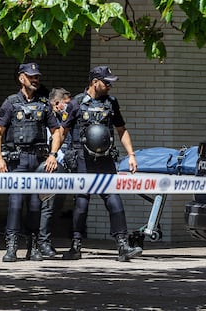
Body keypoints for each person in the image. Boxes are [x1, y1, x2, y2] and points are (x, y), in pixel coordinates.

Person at [50, 65, 142, 261]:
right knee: (81, 203)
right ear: (94, 82)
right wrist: (53, 154)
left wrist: (131, 155)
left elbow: (121, 130)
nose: (110, 86)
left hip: (106, 160)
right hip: (82, 160)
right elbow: (62, 132)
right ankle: (75, 246)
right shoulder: (76, 103)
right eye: (106, 82)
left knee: (114, 200)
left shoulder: (111, 103)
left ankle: (123, 245)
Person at [0, 62, 59, 262]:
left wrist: (53, 155)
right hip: (17, 161)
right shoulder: (11, 102)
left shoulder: (44, 103)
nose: (35, 79)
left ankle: (33, 247)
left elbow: (56, 132)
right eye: (31, 77)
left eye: (37, 76)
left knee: (35, 206)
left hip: (38, 161)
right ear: (22, 78)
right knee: (15, 203)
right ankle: (11, 248)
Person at [38, 87, 71, 257]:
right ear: (56, 103)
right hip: (46, 167)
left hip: (60, 169)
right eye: (66, 103)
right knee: (46, 206)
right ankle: (42, 243)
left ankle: (44, 242)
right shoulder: (45, 119)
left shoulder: (63, 120)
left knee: (53, 207)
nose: (68, 106)